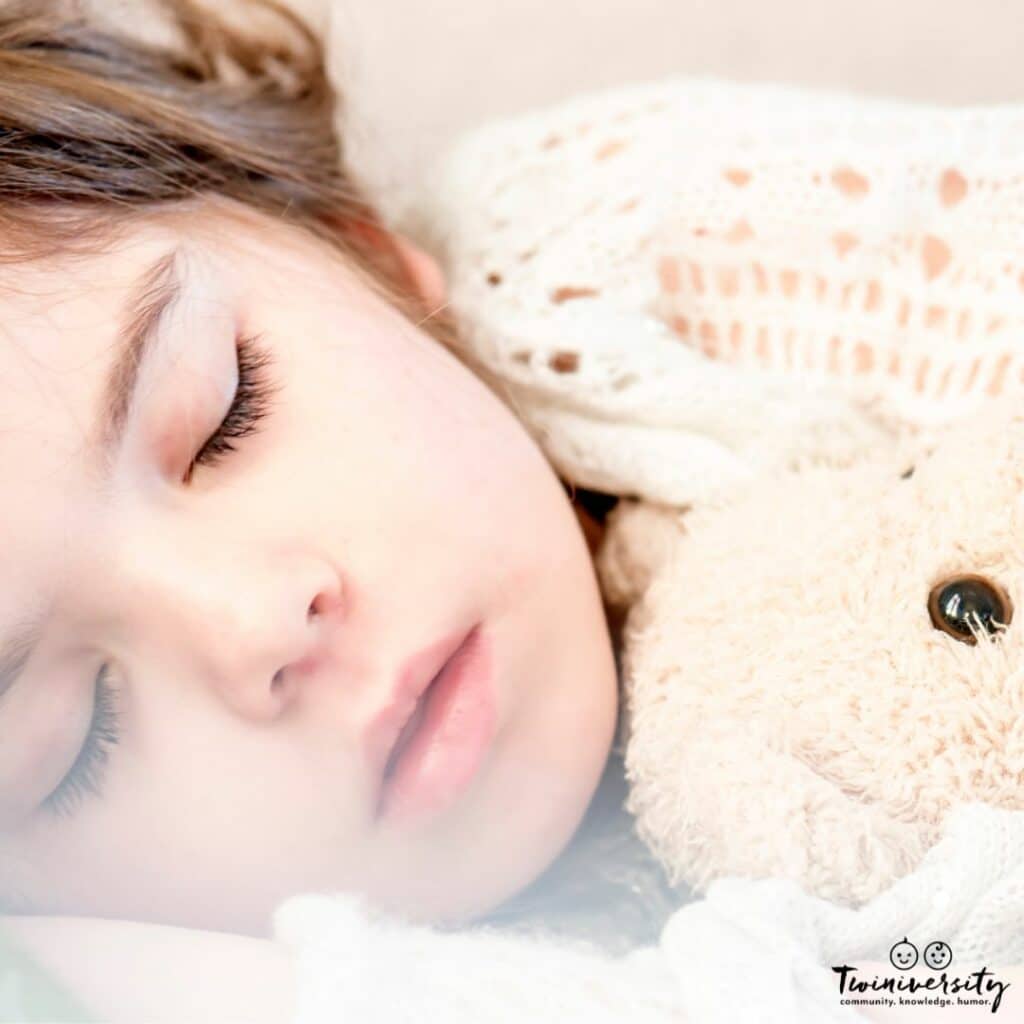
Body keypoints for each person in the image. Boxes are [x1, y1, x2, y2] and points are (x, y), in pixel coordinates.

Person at [0, 3, 1018, 1022]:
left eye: (227, 411)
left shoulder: (630, 247)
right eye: (74, 738)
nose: (256, 619)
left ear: (371, 257)